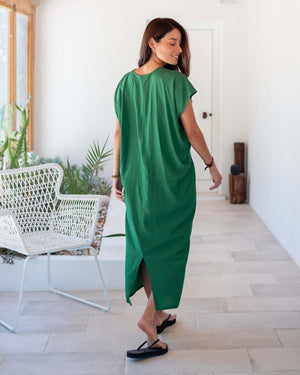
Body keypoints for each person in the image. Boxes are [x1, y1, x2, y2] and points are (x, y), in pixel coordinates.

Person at [113, 17, 222, 359]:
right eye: (172, 42)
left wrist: (117, 176)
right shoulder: (175, 82)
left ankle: (158, 313)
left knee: (146, 245)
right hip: (171, 179)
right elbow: (192, 132)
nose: (178, 50)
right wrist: (212, 165)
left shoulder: (125, 83)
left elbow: (118, 134)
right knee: (172, 246)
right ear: (152, 43)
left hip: (136, 180)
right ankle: (149, 319)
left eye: (180, 44)